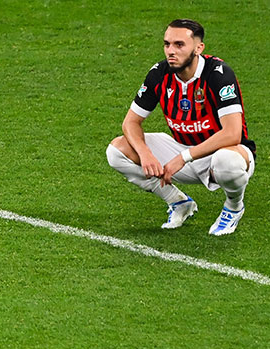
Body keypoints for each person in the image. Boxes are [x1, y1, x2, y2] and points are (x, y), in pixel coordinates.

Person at [106, 19, 256, 235]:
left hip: (222, 152)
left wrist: (183, 158)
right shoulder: (159, 73)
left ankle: (233, 208)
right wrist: (145, 153)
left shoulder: (219, 75)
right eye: (167, 44)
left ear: (198, 48)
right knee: (117, 151)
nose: (171, 51)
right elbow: (130, 122)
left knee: (227, 162)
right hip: (180, 147)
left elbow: (233, 133)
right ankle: (178, 202)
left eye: (179, 45)